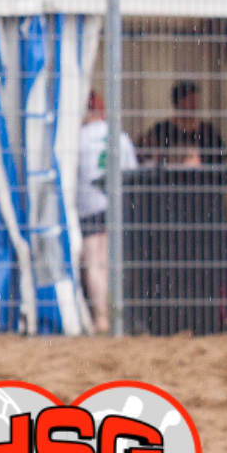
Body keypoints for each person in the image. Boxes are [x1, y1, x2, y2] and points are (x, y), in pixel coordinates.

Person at [77, 90, 137, 335]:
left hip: (89, 205)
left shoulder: (78, 138)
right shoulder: (119, 137)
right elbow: (132, 172)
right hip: (115, 205)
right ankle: (117, 315)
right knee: (111, 262)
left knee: (93, 263)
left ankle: (101, 316)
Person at [140, 80, 227, 167]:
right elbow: (147, 158)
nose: (194, 106)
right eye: (189, 101)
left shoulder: (208, 132)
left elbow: (221, 160)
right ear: (178, 103)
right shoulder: (161, 131)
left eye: (195, 101)